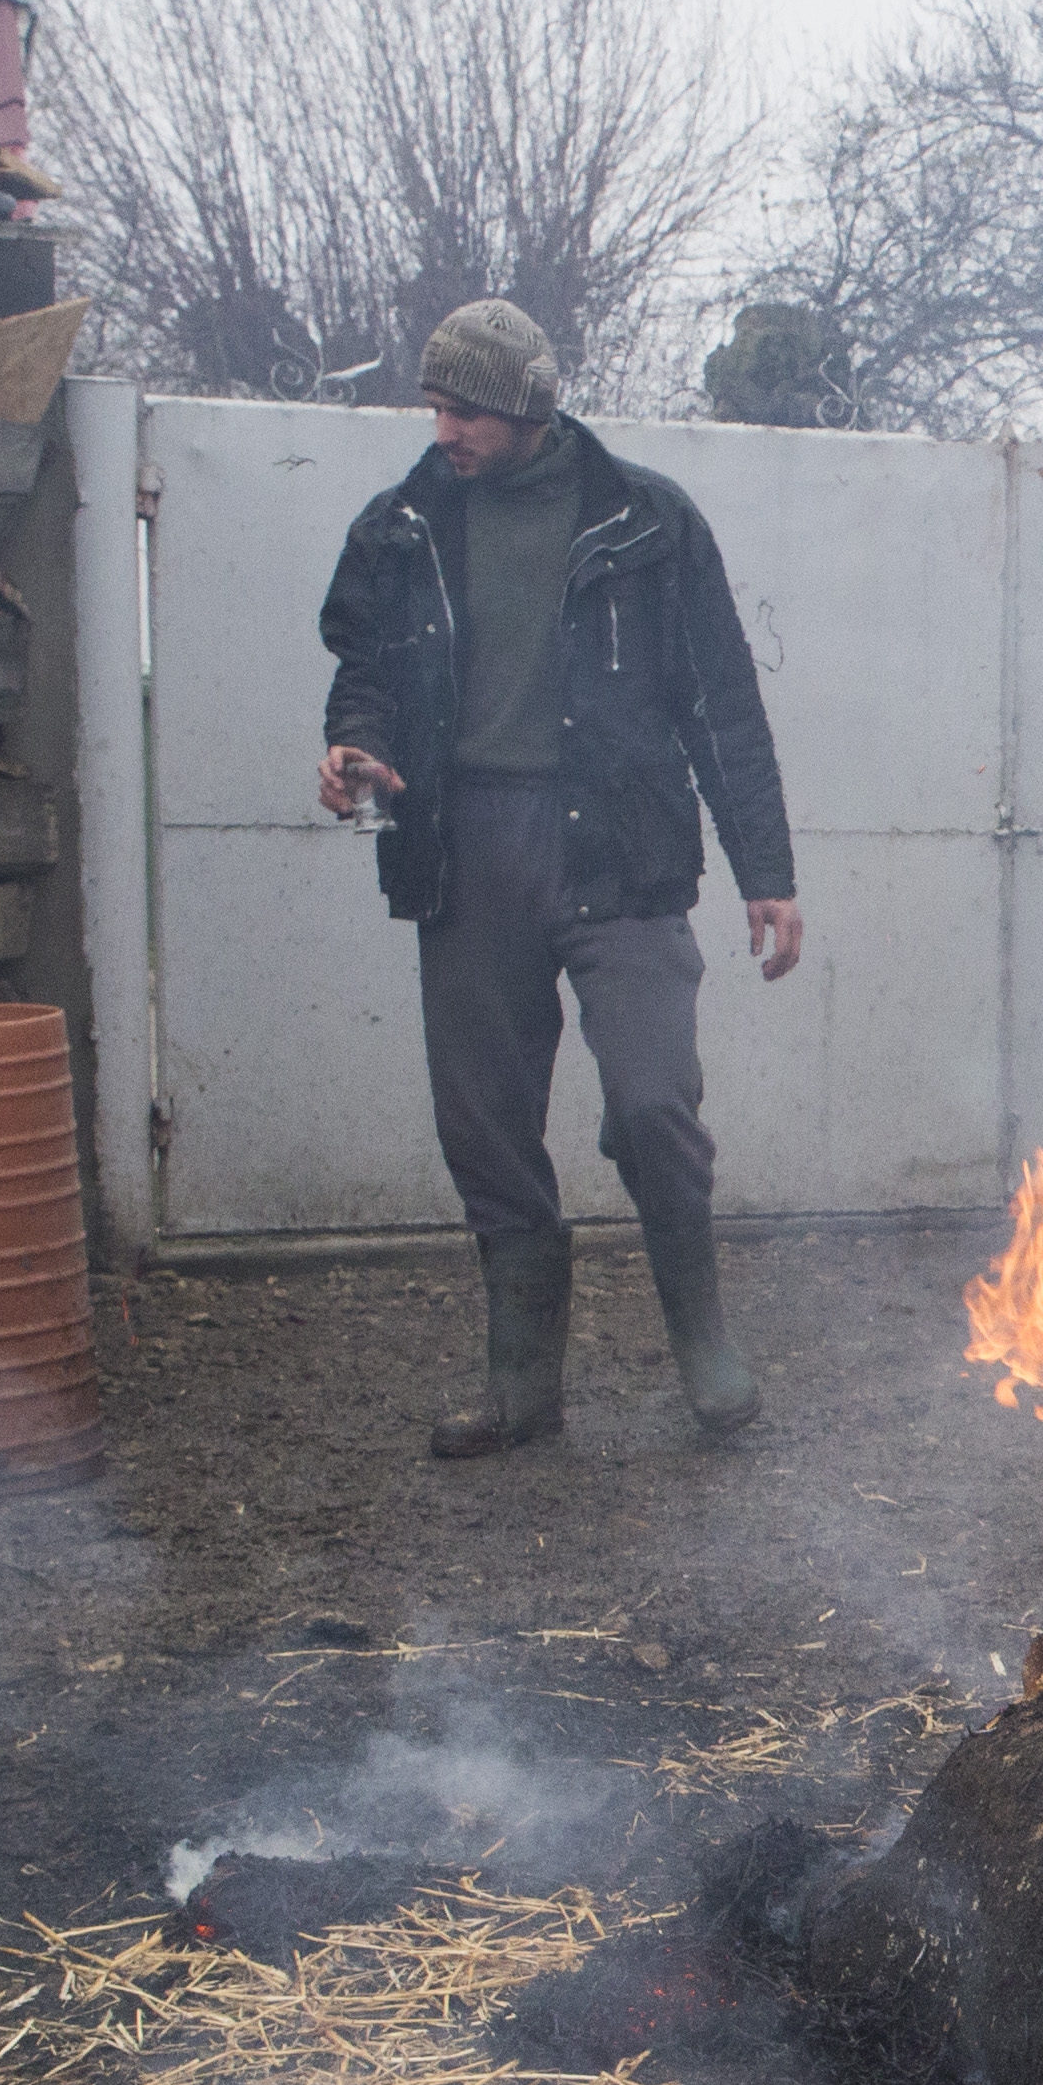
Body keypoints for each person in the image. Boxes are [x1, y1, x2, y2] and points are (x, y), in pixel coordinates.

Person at [314, 302, 801, 1456]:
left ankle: (707, 1352)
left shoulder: (649, 523)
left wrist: (766, 873)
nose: (444, 429)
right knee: (484, 1126)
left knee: (651, 1103)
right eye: (435, 405)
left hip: (619, 850)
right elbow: (364, 672)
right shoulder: (402, 528)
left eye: (465, 408)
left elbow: (721, 703)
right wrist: (354, 746)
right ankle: (522, 1389)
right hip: (467, 851)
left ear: (529, 406)